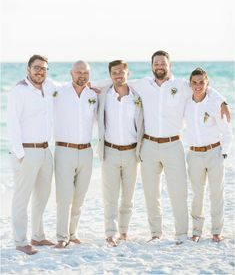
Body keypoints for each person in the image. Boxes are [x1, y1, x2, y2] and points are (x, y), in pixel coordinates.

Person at [127, 50, 230, 244]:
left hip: (173, 144)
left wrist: (223, 101)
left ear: (169, 65)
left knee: (179, 192)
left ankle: (181, 233)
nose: (159, 66)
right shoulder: (142, 84)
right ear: (152, 66)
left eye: (163, 63)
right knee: (151, 192)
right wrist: (92, 86)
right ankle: (156, 233)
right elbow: (119, 82)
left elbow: (205, 89)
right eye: (156, 63)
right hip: (148, 144)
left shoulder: (182, 85)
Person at [7, 55, 55, 255]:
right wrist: (20, 153)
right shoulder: (19, 91)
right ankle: (20, 241)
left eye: (43, 68)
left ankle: (38, 235)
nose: (40, 71)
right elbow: (12, 123)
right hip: (26, 151)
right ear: (28, 69)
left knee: (42, 197)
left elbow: (71, 84)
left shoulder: (48, 87)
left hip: (45, 150)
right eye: (36, 68)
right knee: (22, 198)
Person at [97, 60, 144, 247]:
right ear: (110, 75)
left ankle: (123, 232)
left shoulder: (137, 96)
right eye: (114, 72)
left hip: (132, 152)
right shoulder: (104, 95)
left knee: (128, 197)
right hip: (109, 151)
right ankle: (110, 233)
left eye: (121, 72)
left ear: (128, 74)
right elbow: (88, 84)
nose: (118, 75)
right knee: (110, 196)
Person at [184, 68, 232, 243]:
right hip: (194, 154)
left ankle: (216, 231)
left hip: (214, 153)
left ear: (207, 84)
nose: (198, 86)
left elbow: (227, 132)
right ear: (190, 84)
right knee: (197, 194)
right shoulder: (186, 102)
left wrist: (224, 154)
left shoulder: (214, 103)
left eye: (201, 82)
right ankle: (196, 231)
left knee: (216, 193)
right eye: (194, 83)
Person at [53, 61, 98, 248]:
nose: (82, 75)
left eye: (85, 72)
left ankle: (73, 233)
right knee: (64, 196)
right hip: (64, 150)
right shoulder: (60, 91)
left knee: (79, 196)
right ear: (71, 73)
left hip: (87, 151)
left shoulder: (93, 95)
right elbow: (41, 85)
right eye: (78, 72)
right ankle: (62, 237)